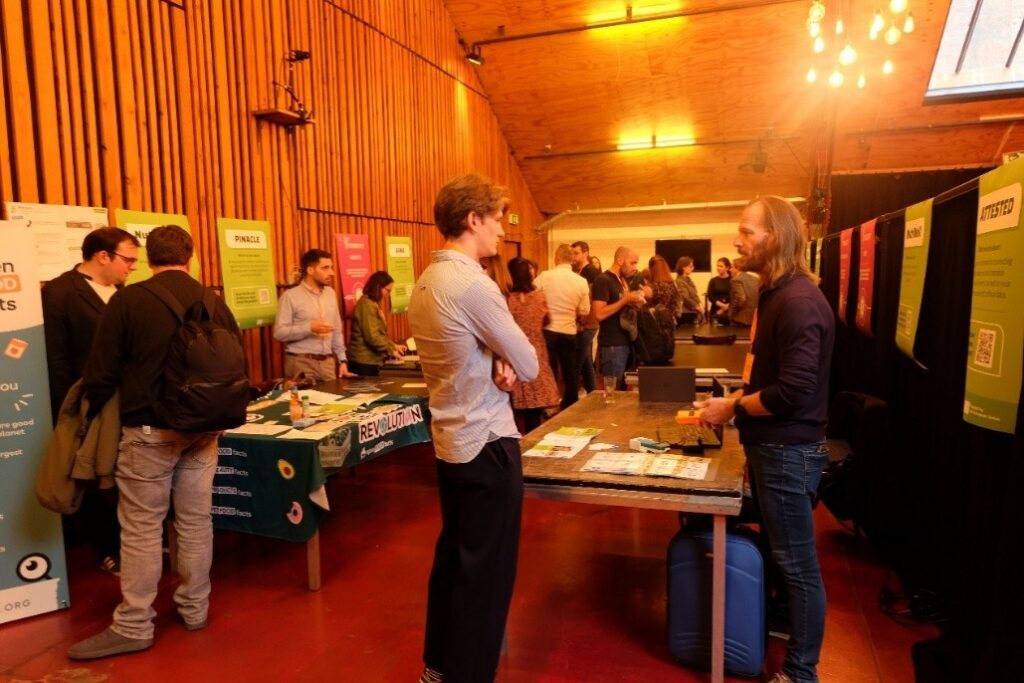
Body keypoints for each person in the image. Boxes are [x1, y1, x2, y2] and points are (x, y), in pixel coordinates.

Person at [69, 225, 245, 659]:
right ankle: (195, 608)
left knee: (142, 528)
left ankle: (134, 625)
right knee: (195, 522)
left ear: (149, 258)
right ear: (191, 257)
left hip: (149, 432)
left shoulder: (129, 300)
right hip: (204, 431)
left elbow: (100, 373)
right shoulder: (214, 302)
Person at [696, 196, 834, 683]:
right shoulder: (776, 293)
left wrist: (732, 408)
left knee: (797, 566)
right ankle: (781, 623)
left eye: (746, 231)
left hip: (787, 453)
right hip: (774, 449)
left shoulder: (798, 302)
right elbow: (770, 378)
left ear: (773, 237)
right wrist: (733, 402)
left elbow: (793, 391)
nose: (737, 241)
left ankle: (800, 673)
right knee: (783, 555)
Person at [409, 174, 538, 683]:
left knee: (455, 564)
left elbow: (469, 355)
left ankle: (437, 668)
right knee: (486, 577)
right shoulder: (473, 284)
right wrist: (504, 361)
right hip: (487, 444)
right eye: (498, 219)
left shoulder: (426, 281)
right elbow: (528, 363)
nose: (502, 231)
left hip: (450, 441)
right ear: (472, 220)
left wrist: (494, 361)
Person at [42, 226, 140, 577]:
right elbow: (57, 359)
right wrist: (74, 410)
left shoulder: (123, 293)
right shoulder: (59, 293)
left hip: (127, 402)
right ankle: (107, 547)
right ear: (102, 256)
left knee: (125, 474)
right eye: (128, 259)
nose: (132, 267)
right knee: (96, 478)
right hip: (89, 404)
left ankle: (134, 541)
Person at [273, 249, 355, 382]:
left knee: (332, 396)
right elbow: (279, 333)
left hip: (328, 363)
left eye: (331, 267)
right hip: (300, 363)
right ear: (310, 270)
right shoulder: (290, 296)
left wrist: (342, 360)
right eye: (325, 268)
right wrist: (309, 328)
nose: (332, 273)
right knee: (304, 396)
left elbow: (336, 330)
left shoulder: (330, 293)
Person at [506, 256, 560, 432]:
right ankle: (533, 436)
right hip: (536, 349)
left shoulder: (507, 300)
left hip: (514, 351)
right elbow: (547, 320)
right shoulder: (539, 297)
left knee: (515, 399)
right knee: (536, 399)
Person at [533, 244, 590, 410]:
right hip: (569, 331)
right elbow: (585, 310)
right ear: (572, 259)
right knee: (569, 369)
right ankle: (570, 402)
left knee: (549, 369)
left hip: (548, 330)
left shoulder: (545, 276)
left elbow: (531, 295)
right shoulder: (581, 281)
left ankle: (550, 402)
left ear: (556, 258)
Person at [591, 246, 646, 390]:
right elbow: (599, 314)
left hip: (625, 342)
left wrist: (635, 301)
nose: (635, 267)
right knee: (613, 391)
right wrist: (625, 300)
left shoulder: (621, 280)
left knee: (622, 390)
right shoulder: (603, 280)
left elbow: (620, 306)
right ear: (620, 260)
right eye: (632, 263)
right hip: (613, 345)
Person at [347, 270, 407, 376]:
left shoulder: (372, 303)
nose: (388, 295)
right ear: (378, 287)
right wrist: (390, 350)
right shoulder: (366, 305)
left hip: (370, 360)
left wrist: (394, 346)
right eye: (388, 291)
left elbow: (380, 333)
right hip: (363, 361)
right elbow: (372, 336)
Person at [645, 255, 681, 356]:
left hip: (654, 328)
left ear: (652, 269)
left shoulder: (653, 287)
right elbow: (677, 304)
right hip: (670, 324)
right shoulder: (672, 285)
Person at [729, 256, 760, 326]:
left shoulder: (736, 280)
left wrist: (732, 312)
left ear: (738, 268)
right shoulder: (755, 279)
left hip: (740, 318)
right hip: (754, 318)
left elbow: (741, 298)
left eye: (732, 267)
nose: (730, 270)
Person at [673, 256, 703, 324]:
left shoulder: (689, 280)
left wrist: (700, 304)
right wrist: (696, 306)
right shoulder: (679, 281)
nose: (693, 268)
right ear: (683, 267)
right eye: (690, 266)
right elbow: (685, 298)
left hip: (693, 311)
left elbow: (694, 295)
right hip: (685, 313)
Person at [706, 256, 732, 323]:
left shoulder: (733, 280)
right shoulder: (713, 280)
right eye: (717, 266)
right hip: (716, 310)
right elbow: (710, 296)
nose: (718, 268)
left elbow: (735, 297)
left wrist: (725, 308)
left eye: (721, 266)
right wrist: (723, 306)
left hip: (730, 310)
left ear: (727, 268)